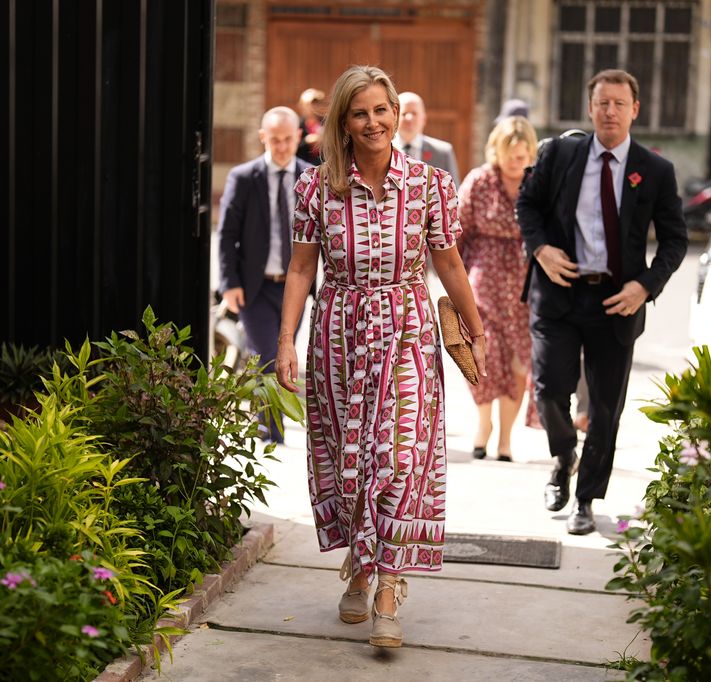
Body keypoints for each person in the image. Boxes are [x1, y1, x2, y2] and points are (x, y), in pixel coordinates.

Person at [275, 65, 486, 648]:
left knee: (398, 454)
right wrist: (285, 340)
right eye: (360, 113)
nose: (373, 122)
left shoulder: (429, 184)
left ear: (396, 113)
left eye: (381, 110)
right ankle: (360, 568)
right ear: (343, 122)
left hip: (408, 330)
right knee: (351, 461)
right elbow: (301, 268)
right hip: (339, 335)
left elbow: (448, 262)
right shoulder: (314, 188)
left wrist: (476, 329)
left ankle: (388, 586)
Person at [516, 69, 688, 535]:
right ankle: (563, 456)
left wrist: (645, 286)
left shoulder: (655, 170)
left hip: (618, 302)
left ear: (635, 110)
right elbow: (527, 204)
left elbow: (675, 240)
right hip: (559, 292)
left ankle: (586, 499)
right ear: (590, 108)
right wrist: (540, 248)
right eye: (602, 103)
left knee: (606, 409)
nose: (610, 112)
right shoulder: (560, 154)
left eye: (619, 104)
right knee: (549, 390)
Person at [216, 106, 313, 443]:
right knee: (267, 356)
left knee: (284, 353)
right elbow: (227, 234)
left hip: (295, 287)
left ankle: (271, 424)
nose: (282, 147)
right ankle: (270, 430)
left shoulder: (311, 177)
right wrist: (229, 284)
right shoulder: (244, 177)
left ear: (298, 137)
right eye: (275, 140)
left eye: (287, 139)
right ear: (262, 138)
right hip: (255, 287)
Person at [457, 116, 538, 462]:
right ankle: (484, 422)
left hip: (525, 287)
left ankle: (505, 439)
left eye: (522, 156)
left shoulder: (537, 184)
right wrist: (455, 282)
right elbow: (457, 231)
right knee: (484, 357)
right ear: (496, 152)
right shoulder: (480, 181)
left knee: (519, 362)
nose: (516, 162)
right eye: (510, 155)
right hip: (484, 282)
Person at [393, 91, 461, 184]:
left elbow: (453, 189)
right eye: (404, 113)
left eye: (414, 113)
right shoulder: (384, 150)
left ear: (424, 119)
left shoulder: (443, 152)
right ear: (394, 118)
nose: (409, 118)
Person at [296, 88, 327, 165]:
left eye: (316, 103)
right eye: (310, 104)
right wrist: (306, 141)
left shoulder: (327, 123)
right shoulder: (297, 125)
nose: (313, 107)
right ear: (302, 106)